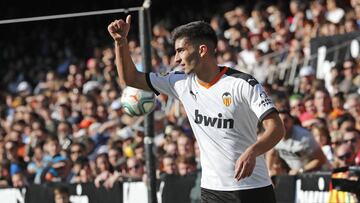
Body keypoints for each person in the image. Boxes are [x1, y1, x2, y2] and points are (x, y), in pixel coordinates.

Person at [107, 15, 285, 203]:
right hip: (212, 190)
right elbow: (130, 79)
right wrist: (121, 42)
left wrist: (253, 151)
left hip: (252, 188)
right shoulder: (180, 82)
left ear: (202, 50)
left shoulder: (242, 84)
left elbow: (276, 128)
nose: (176, 59)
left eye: (181, 50)